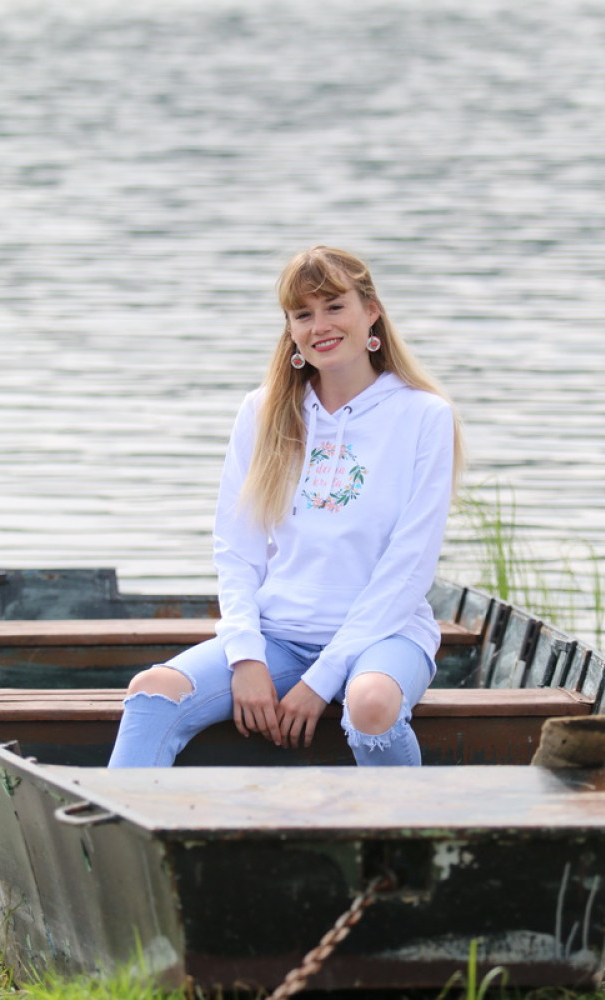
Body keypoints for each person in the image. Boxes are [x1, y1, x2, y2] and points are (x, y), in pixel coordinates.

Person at [108, 245, 463, 769]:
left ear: (371, 311)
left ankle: (406, 825)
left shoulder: (424, 415)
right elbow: (237, 549)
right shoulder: (263, 411)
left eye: (334, 307)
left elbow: (409, 566)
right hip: (279, 636)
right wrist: (246, 655)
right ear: (291, 329)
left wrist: (322, 680)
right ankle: (114, 823)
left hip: (385, 637)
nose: (320, 325)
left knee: (370, 706)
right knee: (152, 691)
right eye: (303, 314)